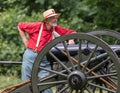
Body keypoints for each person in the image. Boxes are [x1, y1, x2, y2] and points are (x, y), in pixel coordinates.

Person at [18, 9, 76, 93]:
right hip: (31, 56)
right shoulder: (36, 26)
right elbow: (20, 26)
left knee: (46, 85)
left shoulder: (55, 29)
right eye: (52, 18)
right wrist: (25, 40)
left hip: (45, 60)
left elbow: (72, 32)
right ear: (46, 20)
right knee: (26, 84)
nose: (55, 19)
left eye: (55, 17)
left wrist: (70, 39)